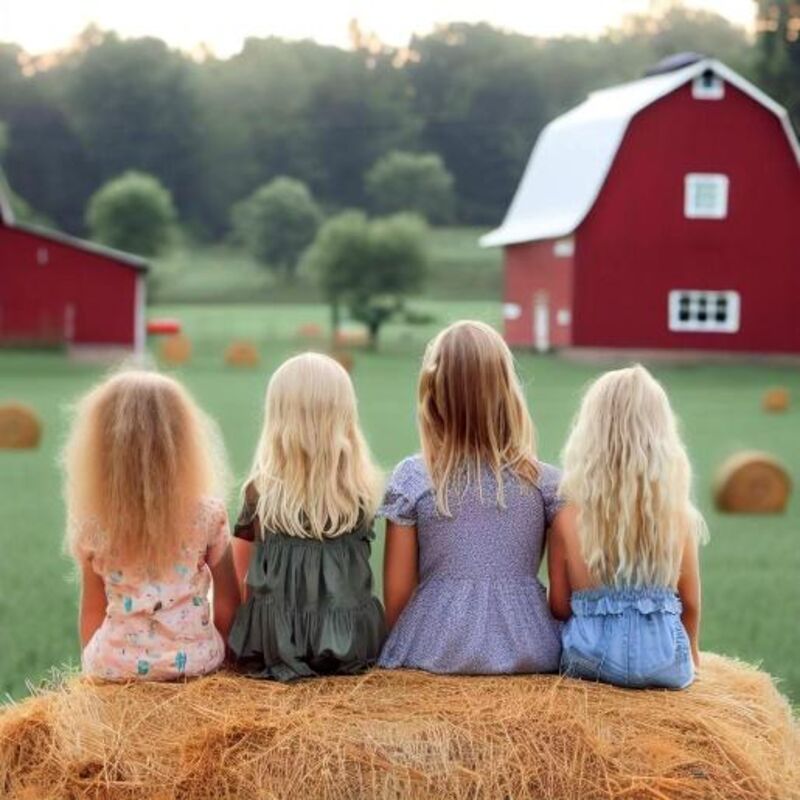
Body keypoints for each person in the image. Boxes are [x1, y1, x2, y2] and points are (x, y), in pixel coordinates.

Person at [380, 320, 563, 674]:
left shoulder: (414, 478)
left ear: (432, 393)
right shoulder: (547, 484)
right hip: (530, 649)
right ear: (508, 392)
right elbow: (563, 597)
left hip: (433, 650)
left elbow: (398, 597)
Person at [64, 370, 239, 681]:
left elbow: (92, 607)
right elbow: (227, 600)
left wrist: (96, 671)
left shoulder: (92, 522)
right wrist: (223, 659)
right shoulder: (208, 514)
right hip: (195, 662)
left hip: (115, 667)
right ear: (183, 440)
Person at [228, 353, 386, 681]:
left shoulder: (260, 495)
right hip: (349, 650)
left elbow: (242, 576)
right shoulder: (359, 496)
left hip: (276, 649)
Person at [549, 365, 706, 689]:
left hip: (588, 660)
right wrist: (692, 655)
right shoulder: (677, 516)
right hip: (664, 662)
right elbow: (689, 603)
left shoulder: (567, 515)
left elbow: (560, 606)